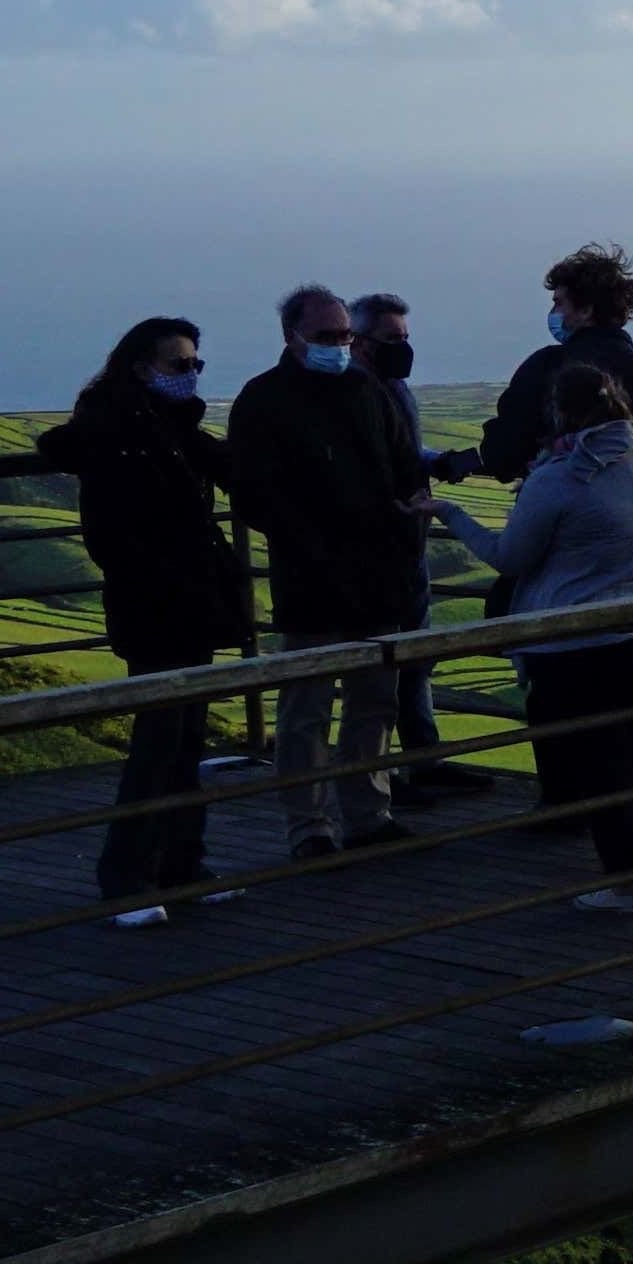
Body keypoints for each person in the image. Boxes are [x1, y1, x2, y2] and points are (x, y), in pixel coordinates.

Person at [435, 363, 633, 907]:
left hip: (572, 641)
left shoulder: (559, 478)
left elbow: (510, 557)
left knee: (600, 767)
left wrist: (449, 512)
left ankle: (625, 882)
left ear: (557, 413)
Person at [32, 317, 251, 912]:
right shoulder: (116, 435)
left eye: (195, 365)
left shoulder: (165, 426)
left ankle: (181, 866)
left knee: (183, 741)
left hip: (186, 604)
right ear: (141, 367)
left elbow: (235, 468)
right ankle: (125, 879)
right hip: (157, 606)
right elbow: (111, 534)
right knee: (161, 742)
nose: (191, 376)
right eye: (181, 365)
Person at [225, 284, 432, 861]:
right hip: (311, 577)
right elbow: (252, 495)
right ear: (291, 336)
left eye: (344, 335)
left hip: (375, 577)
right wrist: (314, 539)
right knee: (307, 709)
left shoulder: (367, 389)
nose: (339, 345)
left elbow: (401, 467)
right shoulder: (262, 400)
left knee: (374, 702)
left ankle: (369, 814)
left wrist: (399, 535)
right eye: (327, 337)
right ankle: (308, 826)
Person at [350, 292, 493, 803]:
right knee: (387, 670)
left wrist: (442, 462)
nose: (403, 348)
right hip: (380, 549)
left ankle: (422, 762)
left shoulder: (394, 386)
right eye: (393, 339)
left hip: (409, 544)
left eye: (406, 338)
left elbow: (406, 451)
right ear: (360, 343)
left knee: (416, 663)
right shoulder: (357, 394)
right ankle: (389, 774)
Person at [482, 242, 633, 474]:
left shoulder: (544, 368)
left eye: (559, 303)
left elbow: (500, 457)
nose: (553, 314)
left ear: (586, 310)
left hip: (560, 507)